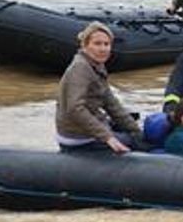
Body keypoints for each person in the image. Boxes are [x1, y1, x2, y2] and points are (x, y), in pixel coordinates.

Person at [55, 22, 141, 154]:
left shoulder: (97, 65)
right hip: (78, 137)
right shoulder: (80, 68)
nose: (103, 49)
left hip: (89, 130)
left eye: (106, 44)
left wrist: (136, 130)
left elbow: (111, 103)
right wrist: (108, 137)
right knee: (133, 142)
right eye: (97, 44)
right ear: (85, 46)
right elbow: (74, 108)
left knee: (136, 136)